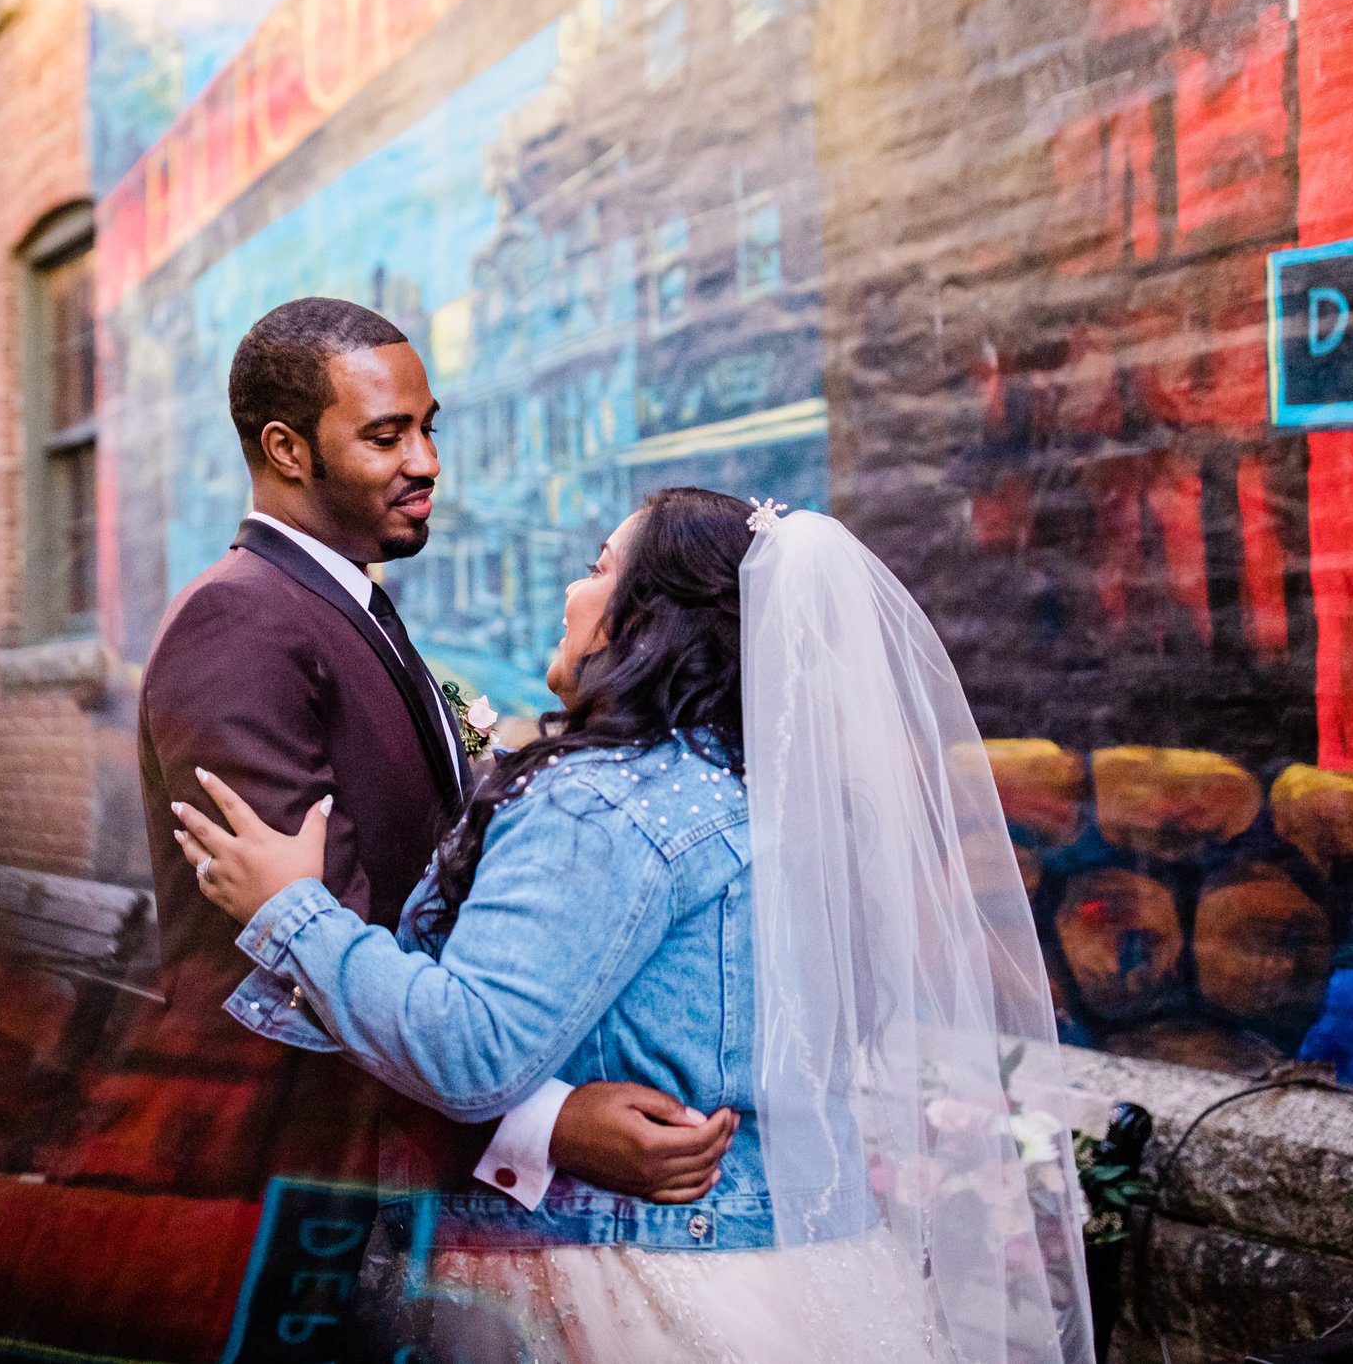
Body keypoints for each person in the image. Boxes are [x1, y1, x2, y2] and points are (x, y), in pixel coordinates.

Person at [170, 487, 1093, 1364]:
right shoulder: (767, 794)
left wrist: (292, 909)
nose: (572, 590)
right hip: (782, 1265)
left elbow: (471, 1047)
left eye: (597, 566)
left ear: (644, 619)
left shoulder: (608, 801)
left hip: (616, 1275)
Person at [137, 299, 739, 1222]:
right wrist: (541, 1123)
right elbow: (292, 944)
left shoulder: (349, 606)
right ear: (288, 450)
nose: (427, 462)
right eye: (387, 435)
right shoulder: (241, 623)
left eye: (427, 428)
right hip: (294, 1173)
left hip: (385, 1163)